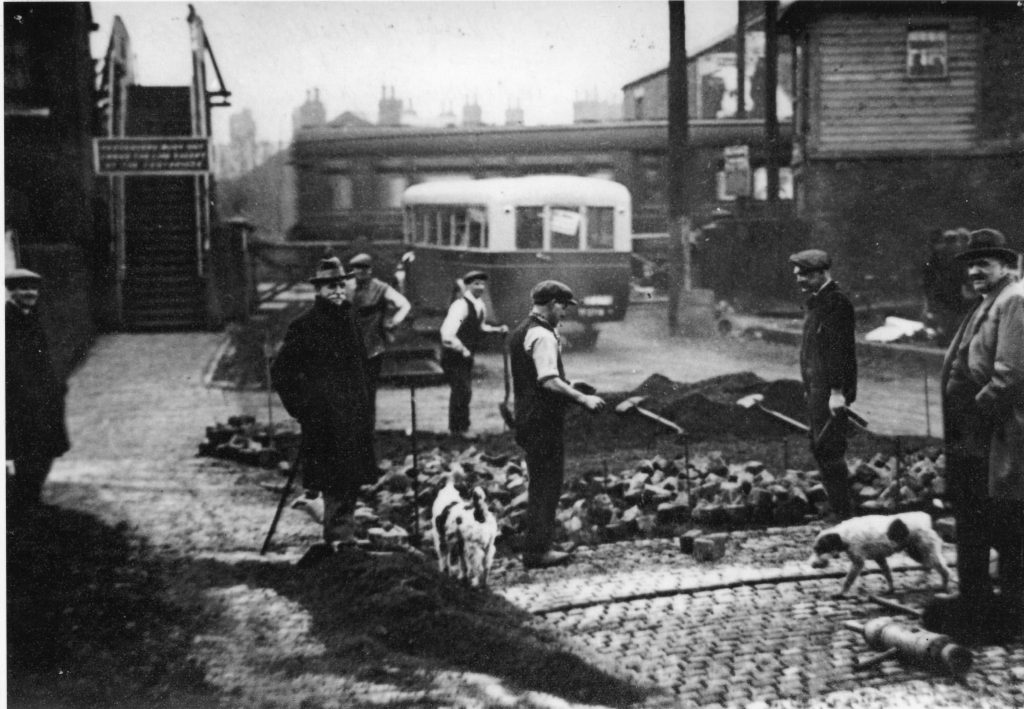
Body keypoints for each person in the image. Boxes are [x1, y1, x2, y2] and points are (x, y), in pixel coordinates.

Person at [926, 228, 1024, 644]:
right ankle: (976, 603)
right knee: (973, 519)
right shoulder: (989, 301)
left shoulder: (1014, 300)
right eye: (971, 263)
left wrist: (975, 415)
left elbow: (1010, 373)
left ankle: (1004, 611)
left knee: (1000, 519)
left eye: (984, 262)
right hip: (972, 433)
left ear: (1006, 264)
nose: (975, 270)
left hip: (992, 431)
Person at [270, 257, 378, 550]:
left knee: (351, 477)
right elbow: (281, 372)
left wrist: (365, 403)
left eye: (342, 284)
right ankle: (339, 539)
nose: (338, 291)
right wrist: (304, 407)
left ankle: (344, 535)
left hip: (353, 416)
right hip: (325, 419)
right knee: (334, 479)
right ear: (317, 290)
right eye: (331, 286)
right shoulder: (305, 326)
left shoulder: (350, 321)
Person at [508, 280, 606, 569]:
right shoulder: (544, 335)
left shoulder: (522, 330)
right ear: (551, 303)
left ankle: (539, 545)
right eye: (563, 306)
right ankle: (538, 552)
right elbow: (548, 380)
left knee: (540, 483)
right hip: (543, 421)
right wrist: (581, 398)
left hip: (527, 418)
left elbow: (534, 377)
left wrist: (570, 384)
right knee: (547, 486)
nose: (564, 312)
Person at [790, 249, 857, 522]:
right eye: (798, 275)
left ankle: (843, 515)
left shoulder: (837, 303)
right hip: (818, 388)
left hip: (831, 390)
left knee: (829, 449)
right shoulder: (818, 302)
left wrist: (838, 392)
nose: (799, 280)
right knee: (820, 447)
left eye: (804, 274)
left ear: (820, 273)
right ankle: (836, 509)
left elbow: (840, 351)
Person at [5, 268, 71, 510]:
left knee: (45, 447)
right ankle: (26, 501)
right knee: (27, 448)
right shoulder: (8, 320)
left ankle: (32, 497)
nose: (30, 293)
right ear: (11, 291)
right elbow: (11, 363)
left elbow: (44, 356)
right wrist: (29, 392)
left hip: (44, 397)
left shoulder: (32, 316)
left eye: (33, 288)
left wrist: (57, 385)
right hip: (21, 399)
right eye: (23, 288)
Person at [439, 270, 507, 440]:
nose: (480, 287)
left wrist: (497, 330)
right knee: (461, 390)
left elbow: (480, 327)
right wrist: (463, 350)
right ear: (467, 285)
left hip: (466, 356)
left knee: (464, 391)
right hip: (453, 355)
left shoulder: (479, 305)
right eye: (476, 283)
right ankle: (458, 430)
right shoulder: (460, 306)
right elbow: (447, 335)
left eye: (483, 284)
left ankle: (461, 428)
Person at [345, 252, 411, 423]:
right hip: (348, 345)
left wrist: (394, 321)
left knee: (368, 388)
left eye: (364, 268)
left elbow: (404, 304)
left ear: (370, 270)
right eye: (357, 268)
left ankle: (368, 427)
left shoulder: (381, 288)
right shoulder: (345, 287)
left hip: (372, 345)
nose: (360, 272)